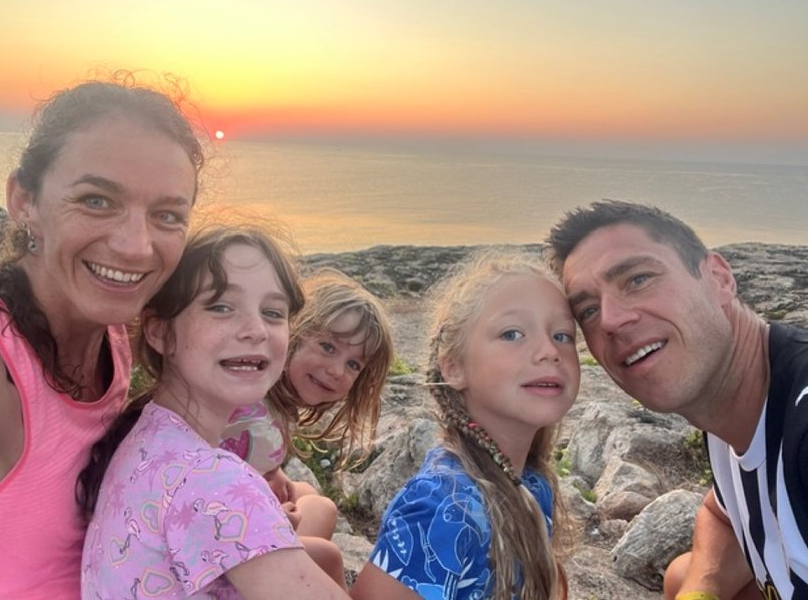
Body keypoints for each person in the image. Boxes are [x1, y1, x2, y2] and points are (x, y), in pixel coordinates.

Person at [0, 74, 203, 599]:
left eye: (166, 215)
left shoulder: (116, 335)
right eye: (97, 201)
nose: (135, 247)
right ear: (23, 200)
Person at [546, 200, 808, 600]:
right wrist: (700, 589)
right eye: (588, 310)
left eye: (637, 279)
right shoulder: (732, 409)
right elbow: (722, 514)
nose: (612, 320)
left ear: (719, 278)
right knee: (681, 575)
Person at [79, 225, 349, 599]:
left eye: (273, 312)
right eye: (221, 307)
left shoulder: (145, 434)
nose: (255, 330)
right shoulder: (212, 479)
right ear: (160, 333)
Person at [350, 249, 577, 600]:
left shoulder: (533, 483)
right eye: (513, 334)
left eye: (563, 335)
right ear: (453, 367)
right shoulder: (443, 506)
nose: (549, 350)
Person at [220, 267, 394, 587]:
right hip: (221, 554)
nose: (336, 370)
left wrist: (272, 472)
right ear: (293, 333)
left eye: (353, 364)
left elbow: (240, 460)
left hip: (234, 533)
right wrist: (270, 516)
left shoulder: (267, 399)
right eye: (328, 347)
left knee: (318, 502)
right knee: (329, 556)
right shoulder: (250, 414)